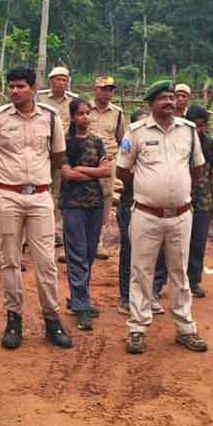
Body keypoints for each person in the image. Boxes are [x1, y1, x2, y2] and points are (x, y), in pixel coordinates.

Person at [0, 66, 73, 348]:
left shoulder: (51, 119)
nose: (14, 91)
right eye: (11, 86)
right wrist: (7, 181)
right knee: (10, 260)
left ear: (33, 88)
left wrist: (34, 181)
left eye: (20, 86)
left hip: (41, 197)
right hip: (8, 196)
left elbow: (58, 156)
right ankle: (13, 320)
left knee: (46, 261)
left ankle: (52, 321)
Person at [116, 80, 208, 355]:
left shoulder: (189, 131)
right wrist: (151, 189)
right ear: (151, 103)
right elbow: (123, 171)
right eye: (163, 99)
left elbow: (197, 169)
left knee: (179, 272)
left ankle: (185, 329)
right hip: (146, 214)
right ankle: (137, 328)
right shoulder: (136, 132)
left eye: (172, 98)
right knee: (141, 271)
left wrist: (175, 191)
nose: (169, 102)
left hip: (181, 215)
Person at [152, 104, 213, 299]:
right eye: (195, 125)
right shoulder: (176, 140)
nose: (199, 130)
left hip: (201, 201)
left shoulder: (208, 143)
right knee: (166, 242)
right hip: (175, 199)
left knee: (197, 243)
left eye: (203, 126)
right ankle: (157, 282)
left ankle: (193, 281)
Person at [60, 98, 112, 331]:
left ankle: (78, 297)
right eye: (80, 114)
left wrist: (81, 169)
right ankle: (81, 305)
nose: (85, 117)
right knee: (77, 254)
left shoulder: (97, 142)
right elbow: (67, 175)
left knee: (89, 254)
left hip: (95, 204)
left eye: (87, 113)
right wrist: (94, 172)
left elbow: (107, 170)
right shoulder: (65, 143)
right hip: (73, 204)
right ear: (72, 117)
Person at [115, 108, 149, 315]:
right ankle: (126, 297)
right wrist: (146, 183)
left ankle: (148, 295)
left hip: (154, 205)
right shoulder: (128, 144)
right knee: (129, 250)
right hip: (130, 202)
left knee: (152, 252)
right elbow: (122, 171)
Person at [37, 66, 77, 247]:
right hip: (41, 151)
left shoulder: (74, 101)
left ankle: (56, 231)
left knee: (59, 192)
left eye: (64, 80)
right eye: (57, 79)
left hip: (64, 152)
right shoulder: (40, 98)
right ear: (50, 81)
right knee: (40, 189)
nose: (61, 83)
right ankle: (37, 231)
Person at [87, 76, 126, 261]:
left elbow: (121, 139)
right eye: (103, 89)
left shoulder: (117, 113)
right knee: (82, 199)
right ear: (95, 89)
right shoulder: (84, 109)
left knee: (105, 201)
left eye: (110, 89)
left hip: (108, 163)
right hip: (86, 161)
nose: (106, 93)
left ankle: (98, 242)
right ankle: (78, 241)